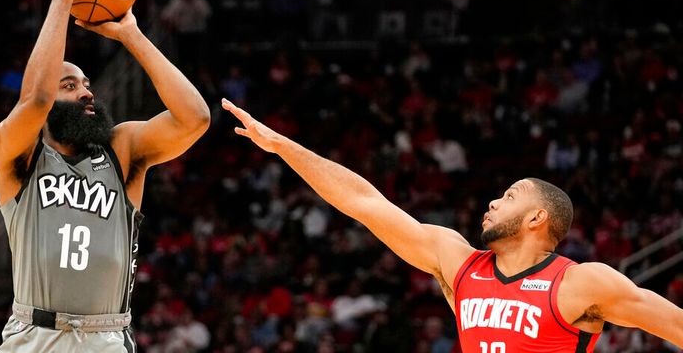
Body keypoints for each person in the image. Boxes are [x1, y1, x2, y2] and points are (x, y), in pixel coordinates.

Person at [220, 98, 683, 352]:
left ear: (538, 217)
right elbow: (363, 202)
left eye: (510, 197)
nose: (493, 202)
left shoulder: (581, 282)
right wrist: (284, 148)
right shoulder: (459, 262)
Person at [0, 0, 210, 352]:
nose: (87, 93)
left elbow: (194, 119)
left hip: (104, 337)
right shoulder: (18, 153)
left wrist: (132, 35)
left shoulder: (121, 149)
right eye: (70, 85)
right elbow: (35, 98)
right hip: (33, 337)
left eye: (88, 84)